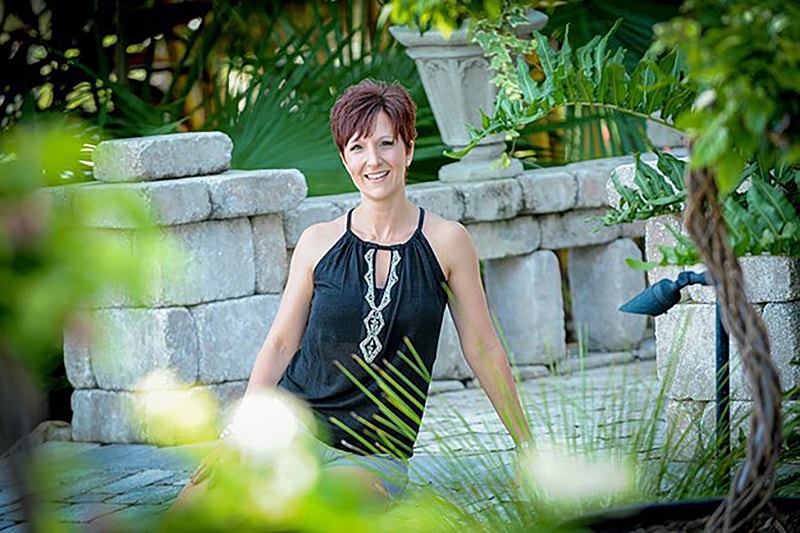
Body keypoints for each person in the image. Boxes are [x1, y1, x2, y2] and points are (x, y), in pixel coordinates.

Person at [176, 78, 533, 506]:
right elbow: (280, 344)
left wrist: (528, 447)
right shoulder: (317, 241)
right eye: (358, 148)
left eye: (386, 143)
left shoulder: (448, 242)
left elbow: (483, 348)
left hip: (371, 458)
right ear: (346, 159)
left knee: (311, 510)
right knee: (190, 511)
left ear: (408, 150)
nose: (374, 160)